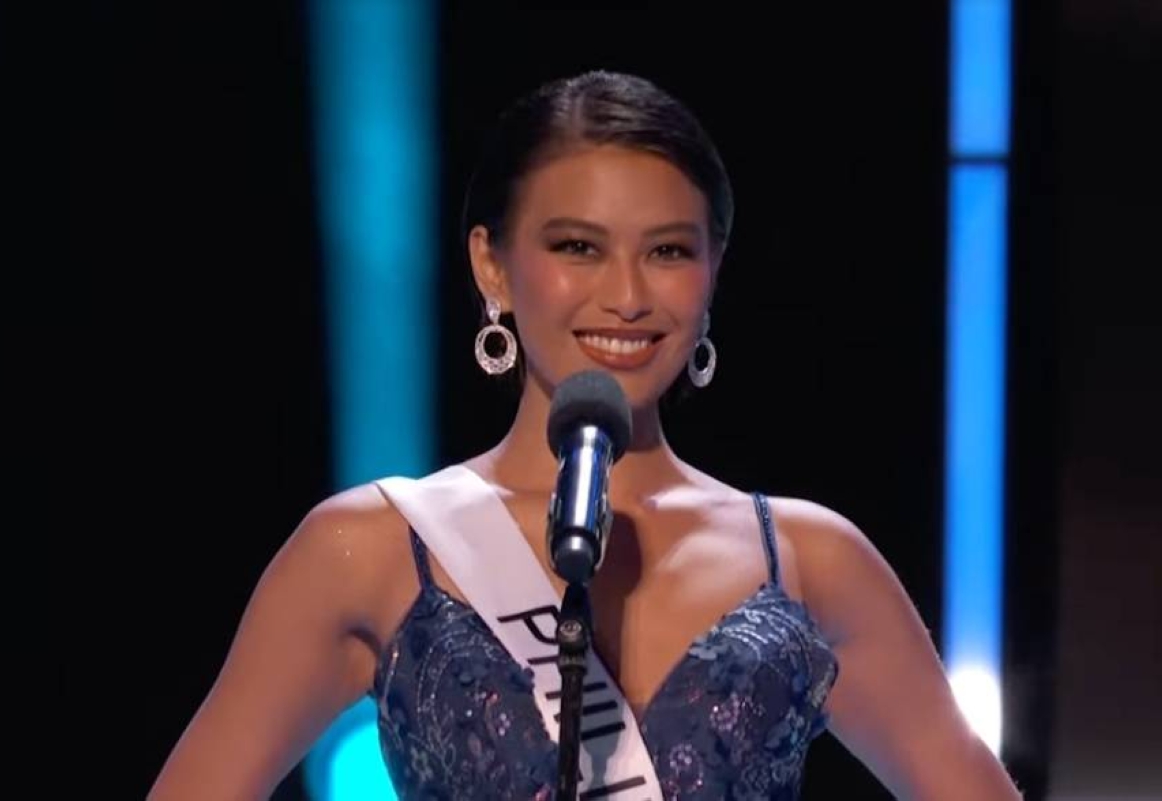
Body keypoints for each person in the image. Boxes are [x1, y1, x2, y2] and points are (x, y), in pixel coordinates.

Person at [149, 70, 1023, 800]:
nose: (628, 295)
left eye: (669, 252)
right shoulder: (371, 547)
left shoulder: (809, 559)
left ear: (713, 270)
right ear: (491, 263)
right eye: (577, 247)